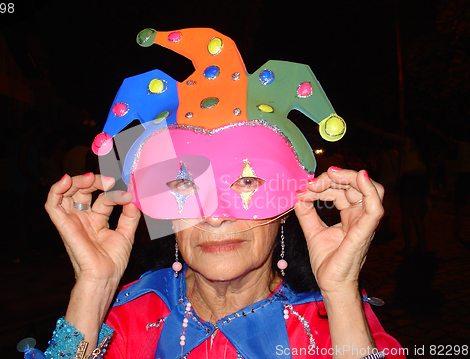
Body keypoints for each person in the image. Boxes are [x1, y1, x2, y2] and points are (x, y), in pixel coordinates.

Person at [41, 28, 404, 359]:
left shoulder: (331, 324)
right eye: (183, 183)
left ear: (292, 202)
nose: (214, 216)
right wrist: (94, 288)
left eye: (248, 181)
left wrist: (341, 291)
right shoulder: (128, 319)